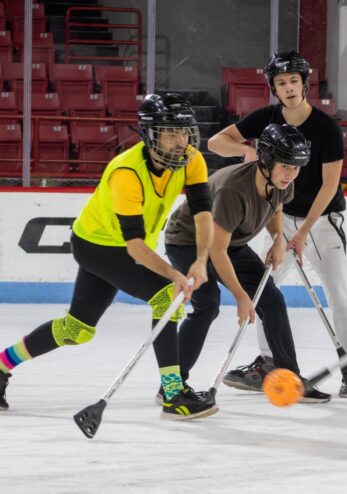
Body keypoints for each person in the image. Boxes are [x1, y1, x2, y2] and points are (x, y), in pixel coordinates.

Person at [0, 93, 217, 420]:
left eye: (185, 132)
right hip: (97, 246)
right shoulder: (125, 172)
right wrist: (174, 275)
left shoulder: (190, 159)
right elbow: (134, 247)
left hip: (125, 248)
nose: (181, 141)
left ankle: (1, 365)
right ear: (150, 134)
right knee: (164, 297)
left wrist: (200, 261)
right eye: (171, 133)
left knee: (76, 330)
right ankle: (174, 394)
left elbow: (202, 214)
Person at [207, 50, 347, 398]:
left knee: (337, 293)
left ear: (305, 84)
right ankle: (268, 361)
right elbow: (216, 142)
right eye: (282, 83)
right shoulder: (266, 118)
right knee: (267, 291)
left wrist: (304, 230)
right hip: (278, 218)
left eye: (294, 81)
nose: (289, 88)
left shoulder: (326, 128)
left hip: (321, 222)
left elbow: (329, 185)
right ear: (274, 89)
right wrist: (248, 153)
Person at [163, 123, 330, 403]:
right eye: (285, 166)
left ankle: (289, 375)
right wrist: (241, 296)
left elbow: (276, 207)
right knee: (208, 304)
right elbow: (216, 251)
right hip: (188, 241)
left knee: (273, 301)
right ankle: (171, 384)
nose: (290, 174)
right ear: (265, 160)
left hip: (232, 243)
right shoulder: (233, 190)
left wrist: (278, 239)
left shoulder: (282, 183)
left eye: (296, 167)